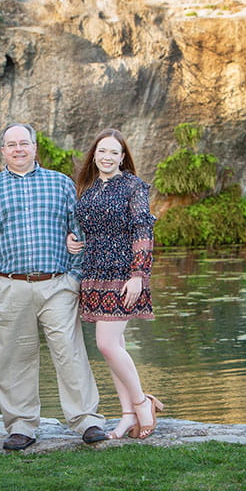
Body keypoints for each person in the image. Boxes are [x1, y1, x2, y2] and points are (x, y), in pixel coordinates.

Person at [0, 122, 106, 450]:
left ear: (34, 147)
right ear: (2, 151)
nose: (18, 149)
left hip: (57, 285)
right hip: (9, 286)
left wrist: (74, 277)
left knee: (69, 352)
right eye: (10, 145)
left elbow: (80, 231)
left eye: (23, 143)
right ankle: (22, 425)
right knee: (15, 357)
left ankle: (86, 419)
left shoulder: (61, 184)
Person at [67, 128, 163, 440]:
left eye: (113, 153)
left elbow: (143, 231)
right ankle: (126, 416)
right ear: (94, 155)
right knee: (114, 348)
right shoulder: (88, 188)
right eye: (102, 151)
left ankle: (142, 402)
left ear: (123, 158)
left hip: (123, 274)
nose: (107, 157)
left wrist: (138, 275)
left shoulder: (133, 186)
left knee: (106, 344)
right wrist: (74, 241)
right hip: (94, 273)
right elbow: (85, 228)